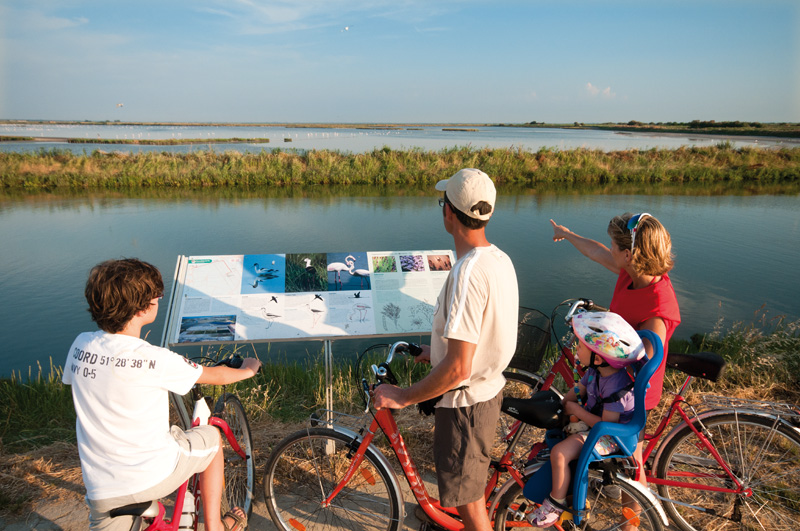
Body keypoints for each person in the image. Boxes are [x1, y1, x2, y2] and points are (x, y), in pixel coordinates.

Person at [63, 258, 261, 531]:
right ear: (144, 307)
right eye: (157, 295)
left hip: (100, 488)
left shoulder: (80, 346)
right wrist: (249, 369)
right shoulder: (154, 358)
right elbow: (218, 375)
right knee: (212, 439)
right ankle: (215, 526)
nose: (160, 298)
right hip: (150, 475)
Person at [373, 168, 519, 531]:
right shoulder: (498, 259)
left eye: (443, 203)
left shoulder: (467, 274)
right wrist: (432, 351)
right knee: (469, 496)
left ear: (449, 213)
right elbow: (481, 337)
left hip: (465, 407)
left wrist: (403, 396)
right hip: (486, 393)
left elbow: (458, 370)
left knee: (471, 509)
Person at [550, 212, 680, 492]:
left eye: (614, 245)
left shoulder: (657, 308)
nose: (609, 249)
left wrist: (595, 344)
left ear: (629, 254)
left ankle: (632, 520)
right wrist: (568, 234)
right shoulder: (632, 273)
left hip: (632, 396)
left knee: (632, 465)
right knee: (619, 457)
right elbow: (597, 251)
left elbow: (642, 364)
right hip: (611, 384)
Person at [527, 311, 645, 527]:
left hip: (614, 437)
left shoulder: (617, 387)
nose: (576, 350)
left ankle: (556, 502)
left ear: (598, 357)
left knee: (560, 453)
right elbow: (576, 391)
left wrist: (576, 411)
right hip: (598, 428)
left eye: (580, 347)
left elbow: (605, 426)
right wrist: (562, 406)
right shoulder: (595, 372)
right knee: (558, 434)